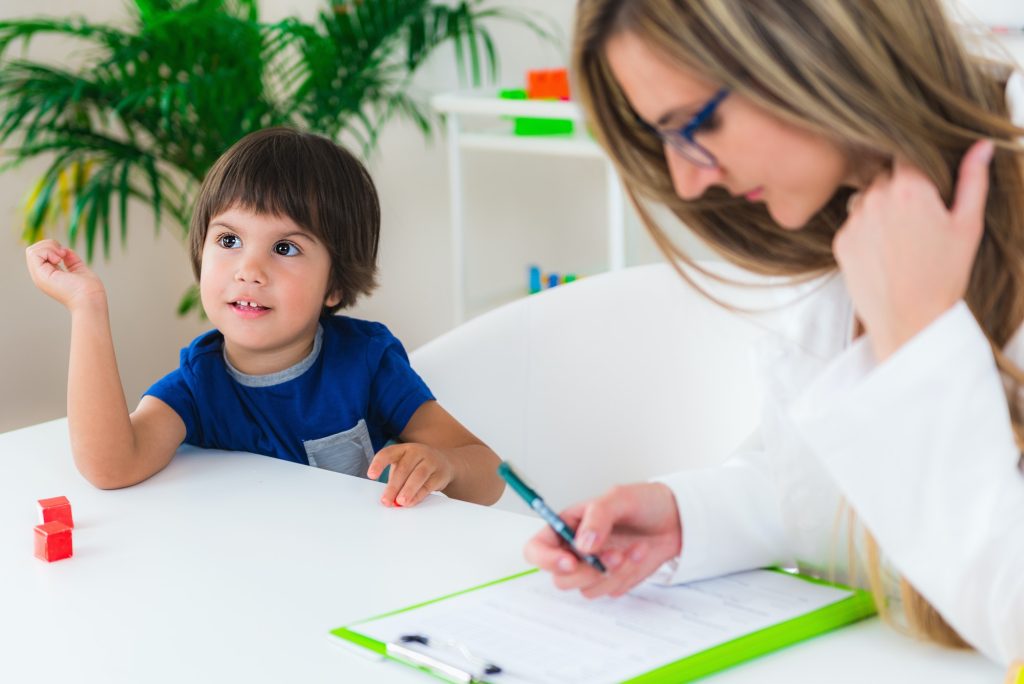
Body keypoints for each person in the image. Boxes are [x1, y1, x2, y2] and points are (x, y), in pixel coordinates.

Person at [525, 0, 1024, 666]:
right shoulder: (857, 224)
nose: (688, 179)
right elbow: (844, 488)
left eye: (695, 126)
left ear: (810, 41)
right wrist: (689, 518)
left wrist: (920, 341)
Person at [25, 127, 504, 508]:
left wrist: (443, 465)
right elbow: (111, 466)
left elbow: (488, 474)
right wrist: (86, 307)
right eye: (229, 240)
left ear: (335, 284)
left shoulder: (367, 361)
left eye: (285, 248)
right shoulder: (199, 383)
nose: (249, 270)